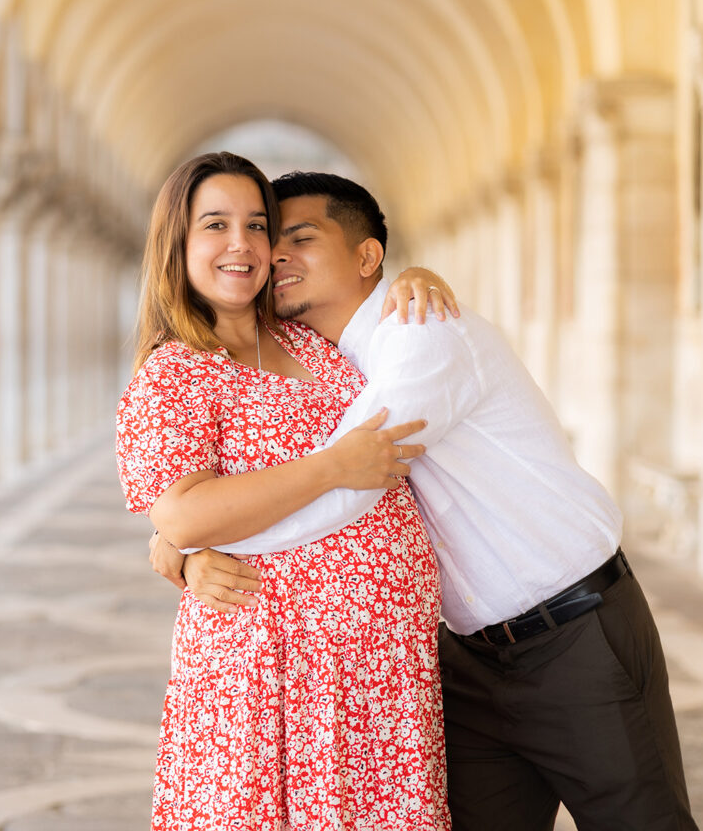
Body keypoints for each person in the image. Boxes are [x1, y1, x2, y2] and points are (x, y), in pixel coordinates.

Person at [156, 171, 699, 831]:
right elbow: (271, 466)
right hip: (468, 659)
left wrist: (189, 535)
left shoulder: (424, 335)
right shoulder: (329, 359)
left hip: (574, 636)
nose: (274, 256)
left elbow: (341, 493)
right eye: (273, 240)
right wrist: (185, 539)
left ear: (366, 256)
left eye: (299, 238)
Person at [116, 153, 452, 830]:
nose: (240, 244)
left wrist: (411, 274)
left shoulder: (313, 338)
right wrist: (332, 467)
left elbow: (376, 315)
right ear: (178, 244)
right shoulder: (176, 372)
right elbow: (182, 512)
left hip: (380, 676)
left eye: (256, 225)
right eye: (215, 224)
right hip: (268, 678)